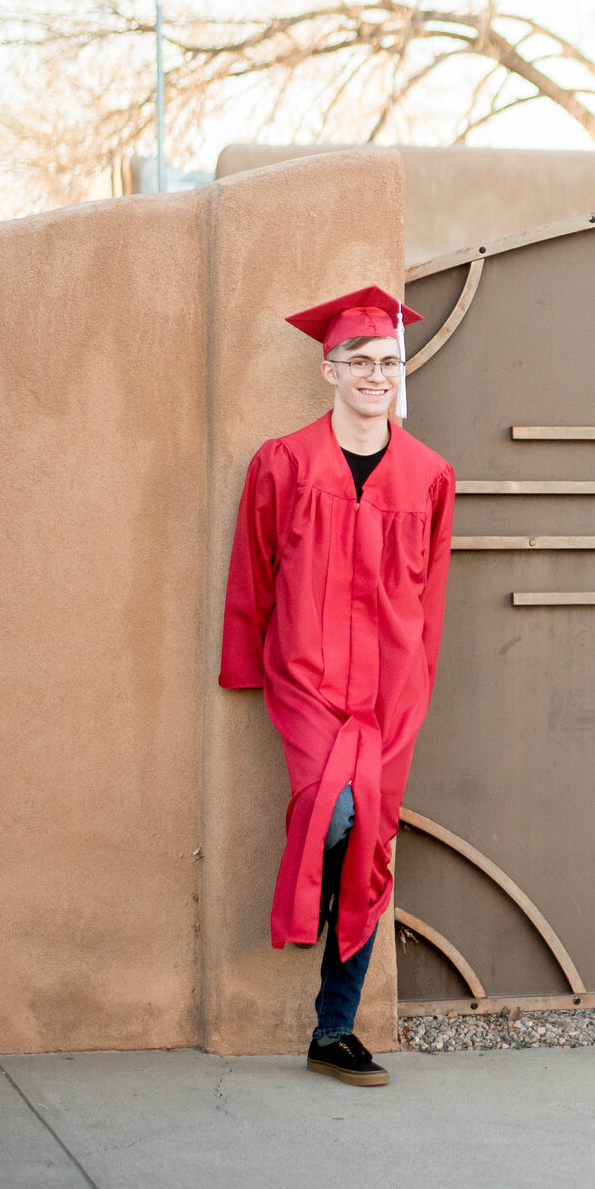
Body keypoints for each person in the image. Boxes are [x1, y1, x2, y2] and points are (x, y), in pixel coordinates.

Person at [219, 285, 456, 1086]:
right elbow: (252, 570)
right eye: (360, 361)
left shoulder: (429, 475)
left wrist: (417, 680)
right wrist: (244, 666)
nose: (375, 375)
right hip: (308, 678)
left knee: (370, 849)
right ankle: (305, 898)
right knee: (336, 812)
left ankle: (333, 1030)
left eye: (387, 362)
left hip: (390, 691)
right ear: (329, 369)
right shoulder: (283, 462)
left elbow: (432, 593)